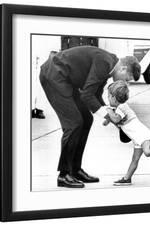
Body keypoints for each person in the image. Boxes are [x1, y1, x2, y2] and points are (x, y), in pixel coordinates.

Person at [39, 46, 141, 188]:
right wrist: (107, 114)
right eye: (128, 79)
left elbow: (95, 95)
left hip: (66, 80)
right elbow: (86, 95)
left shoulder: (109, 66)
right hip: (54, 76)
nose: (126, 83)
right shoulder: (104, 62)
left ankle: (75, 170)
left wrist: (112, 116)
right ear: (123, 69)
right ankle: (64, 174)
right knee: (74, 123)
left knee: (86, 119)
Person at [103, 80, 150, 186]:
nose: (108, 98)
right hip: (136, 138)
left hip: (142, 134)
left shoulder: (122, 107)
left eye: (108, 96)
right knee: (135, 159)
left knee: (148, 153)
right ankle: (127, 178)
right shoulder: (117, 108)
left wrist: (108, 111)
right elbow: (107, 122)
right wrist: (108, 116)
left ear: (113, 97)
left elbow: (117, 120)